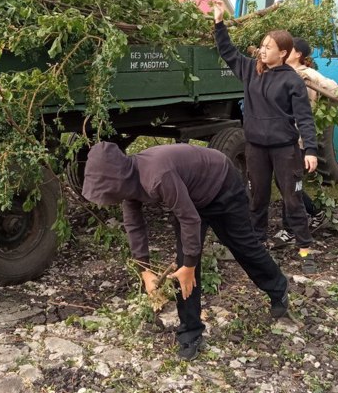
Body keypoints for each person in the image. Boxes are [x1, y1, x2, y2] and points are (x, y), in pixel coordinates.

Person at [81, 141, 291, 361]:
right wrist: (145, 270)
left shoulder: (157, 175)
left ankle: (278, 287)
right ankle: (190, 331)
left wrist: (190, 265)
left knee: (242, 245)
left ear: (117, 178)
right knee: (183, 264)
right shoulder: (129, 184)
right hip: (191, 197)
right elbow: (134, 225)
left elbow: (189, 219)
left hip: (221, 184)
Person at [212, 4, 320, 273]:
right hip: (256, 148)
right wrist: (218, 24)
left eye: (268, 47)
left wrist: (311, 150)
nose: (262, 50)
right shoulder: (251, 70)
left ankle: (305, 250)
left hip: (285, 150)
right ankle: (256, 242)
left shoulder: (293, 81)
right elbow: (227, 52)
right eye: (262, 45)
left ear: (283, 53)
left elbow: (304, 118)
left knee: (292, 199)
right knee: (257, 198)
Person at [280, 36, 338, 233]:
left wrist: (309, 81)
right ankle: (314, 213)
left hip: (298, 134)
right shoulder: (281, 70)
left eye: (289, 48)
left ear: (298, 54)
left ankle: (291, 228)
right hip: (280, 135)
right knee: (285, 182)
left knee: (289, 182)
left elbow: (334, 89)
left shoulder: (307, 73)